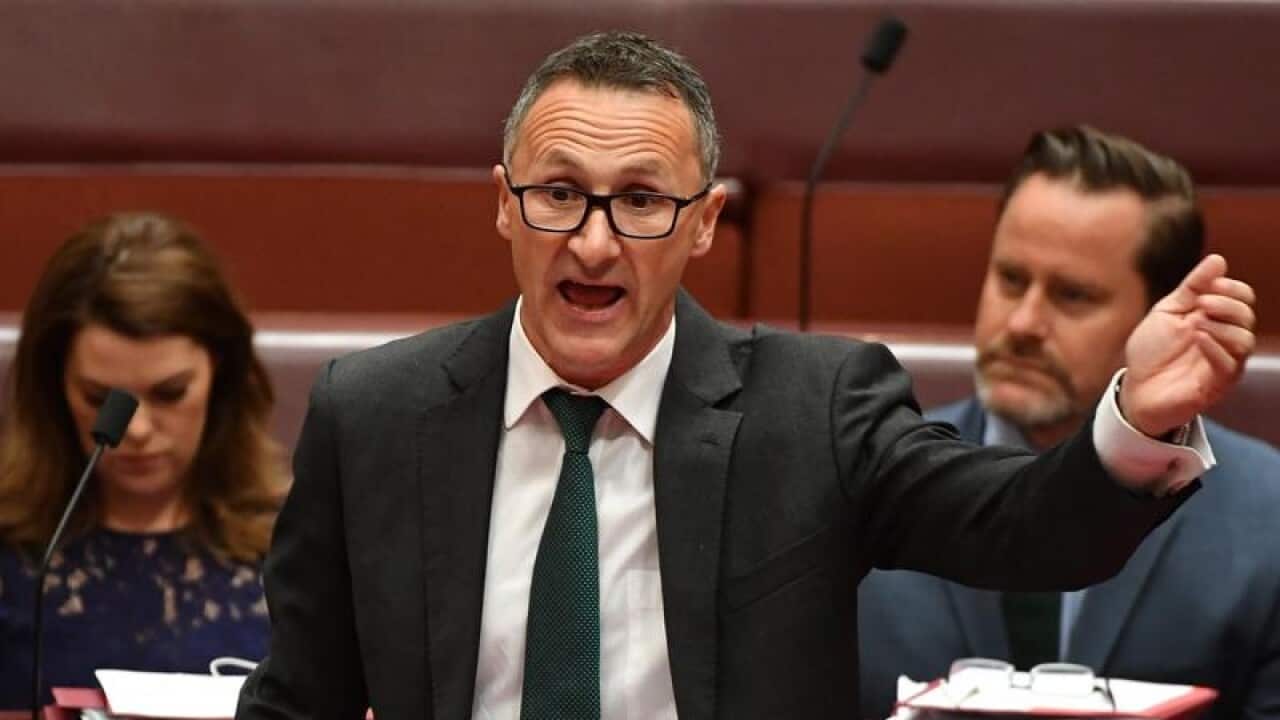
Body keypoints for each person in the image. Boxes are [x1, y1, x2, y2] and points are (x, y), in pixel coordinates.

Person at [236, 33, 1256, 720]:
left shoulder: (809, 412)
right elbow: (296, 703)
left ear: (705, 224)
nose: (592, 244)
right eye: (557, 193)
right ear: (502, 205)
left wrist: (1130, 420)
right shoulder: (374, 416)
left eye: (640, 201)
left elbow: (1022, 525)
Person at [857, 126, 1280, 720]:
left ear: (1163, 315)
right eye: (1010, 279)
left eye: (1073, 295)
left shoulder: (1270, 520)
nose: (1024, 322)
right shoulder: (865, 476)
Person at [0, 212, 287, 708]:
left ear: (222, 381)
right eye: (99, 398)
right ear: (54, 388)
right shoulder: (13, 550)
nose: (136, 430)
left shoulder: (300, 546)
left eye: (170, 393)